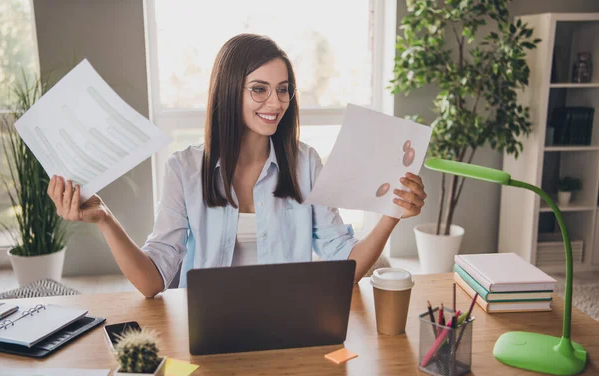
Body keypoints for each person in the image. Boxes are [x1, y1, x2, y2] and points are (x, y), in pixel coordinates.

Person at [47, 33, 427, 298]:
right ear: (230, 90)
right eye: (259, 89)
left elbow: (345, 267)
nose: (275, 102)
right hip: (209, 329)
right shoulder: (184, 170)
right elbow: (152, 283)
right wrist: (105, 219)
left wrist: (390, 214)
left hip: (292, 324)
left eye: (283, 89)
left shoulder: (306, 163)